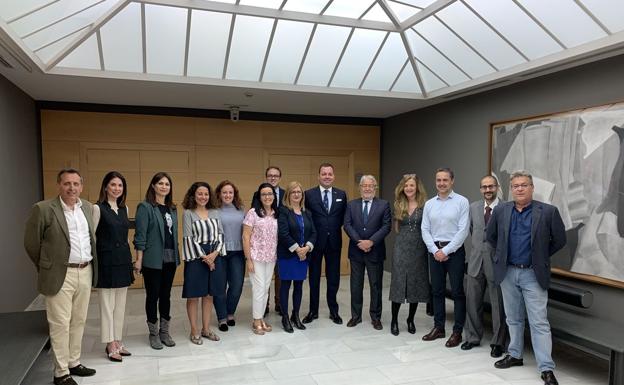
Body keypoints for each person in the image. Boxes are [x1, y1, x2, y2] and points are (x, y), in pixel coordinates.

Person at [487, 170, 566, 385]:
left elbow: (559, 240)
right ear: (511, 189)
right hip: (508, 272)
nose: (519, 189)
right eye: (515, 186)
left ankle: (546, 368)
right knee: (513, 318)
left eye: (524, 185)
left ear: (532, 188)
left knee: (539, 322)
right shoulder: (501, 210)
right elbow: (491, 236)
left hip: (533, 273)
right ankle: (515, 355)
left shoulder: (548, 211)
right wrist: (503, 255)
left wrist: (540, 255)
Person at [24, 168, 98, 385]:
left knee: (79, 321)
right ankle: (61, 373)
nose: (72, 188)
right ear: (59, 185)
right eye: (67, 183)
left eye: (76, 184)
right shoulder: (44, 209)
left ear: (81, 186)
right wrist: (46, 265)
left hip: (84, 270)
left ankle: (74, 362)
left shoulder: (87, 208)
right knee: (60, 324)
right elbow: (31, 243)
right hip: (60, 273)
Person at [421, 167, 469, 348]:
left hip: (454, 253)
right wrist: (434, 250)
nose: (441, 183)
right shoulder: (429, 204)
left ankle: (457, 332)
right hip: (434, 252)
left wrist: (445, 251)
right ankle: (439, 327)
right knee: (437, 291)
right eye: (438, 180)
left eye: (445, 180)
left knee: (457, 292)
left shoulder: (461, 202)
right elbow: (425, 229)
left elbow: (463, 231)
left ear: (452, 181)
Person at [461, 175, 508, 357]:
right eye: (484, 187)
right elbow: (473, 231)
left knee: (498, 305)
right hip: (475, 261)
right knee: (472, 301)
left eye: (491, 186)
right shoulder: (473, 207)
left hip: (496, 263)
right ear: (480, 189)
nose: (488, 190)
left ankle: (498, 342)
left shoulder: (505, 208)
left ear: (497, 188)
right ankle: (472, 337)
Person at [133, 172, 180, 350]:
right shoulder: (145, 207)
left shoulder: (172, 208)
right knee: (152, 297)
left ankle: (164, 332)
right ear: (153, 186)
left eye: (167, 184)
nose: (164, 187)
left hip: (170, 259)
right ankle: (153, 334)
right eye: (160, 183)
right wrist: (139, 260)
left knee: (166, 296)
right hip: (152, 260)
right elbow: (140, 236)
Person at [93, 171, 134, 362]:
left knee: (120, 305)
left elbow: (125, 236)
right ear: (105, 187)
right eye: (113, 185)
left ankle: (118, 339)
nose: (117, 188)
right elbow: (92, 238)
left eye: (120, 185)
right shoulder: (97, 208)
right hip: (106, 262)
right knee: (107, 306)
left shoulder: (124, 207)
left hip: (123, 260)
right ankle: (109, 343)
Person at [343, 175, 392, 330]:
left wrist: (371, 242)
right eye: (365, 185)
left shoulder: (384, 205)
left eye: (371, 185)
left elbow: (386, 226)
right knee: (355, 285)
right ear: (360, 187)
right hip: (356, 251)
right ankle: (355, 316)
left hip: (375, 251)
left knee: (375, 285)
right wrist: (359, 242)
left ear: (375, 188)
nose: (368, 188)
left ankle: (376, 317)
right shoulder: (351, 205)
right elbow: (347, 225)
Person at [303, 163, 347, 325]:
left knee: (333, 277)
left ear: (334, 176)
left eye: (330, 174)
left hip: (334, 242)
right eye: (324, 174)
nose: (327, 176)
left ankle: (333, 311)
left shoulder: (341, 194)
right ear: (318, 176)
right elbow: (306, 218)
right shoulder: (308, 194)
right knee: (314, 277)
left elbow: (343, 217)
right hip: (314, 243)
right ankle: (313, 311)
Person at [181, 182, 224, 344]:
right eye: (200, 194)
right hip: (196, 257)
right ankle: (194, 330)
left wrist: (214, 255)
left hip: (214, 254)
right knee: (193, 296)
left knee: (208, 295)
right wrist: (205, 258)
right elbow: (188, 238)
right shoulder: (188, 213)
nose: (203, 197)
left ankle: (206, 329)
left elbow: (220, 234)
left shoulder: (215, 212)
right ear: (193, 195)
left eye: (206, 194)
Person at [388, 174, 429, 336]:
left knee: (415, 283)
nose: (409, 188)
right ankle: (394, 320)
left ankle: (410, 320)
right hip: (401, 248)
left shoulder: (425, 205)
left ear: (417, 187)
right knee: (398, 283)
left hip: (419, 248)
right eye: (406, 186)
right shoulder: (398, 204)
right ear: (402, 188)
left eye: (411, 185)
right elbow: (396, 227)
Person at [277, 181, 317, 333]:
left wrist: (307, 247)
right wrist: (297, 249)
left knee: (299, 286)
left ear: (302, 195)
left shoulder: (307, 213)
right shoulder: (284, 211)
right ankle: (285, 317)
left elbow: (314, 233)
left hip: (303, 256)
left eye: (299, 192)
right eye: (293, 192)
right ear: (288, 194)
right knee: (286, 285)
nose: (296, 194)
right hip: (287, 255)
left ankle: (296, 315)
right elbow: (283, 233)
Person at [243, 182, 279, 335]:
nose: (267, 197)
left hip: (271, 258)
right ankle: (256, 320)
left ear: (274, 196)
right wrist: (248, 260)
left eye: (270, 194)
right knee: (258, 289)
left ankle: (261, 318)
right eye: (264, 194)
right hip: (256, 257)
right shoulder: (253, 213)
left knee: (265, 290)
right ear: (259, 196)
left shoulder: (276, 213)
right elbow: (245, 236)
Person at [212, 180, 246, 331]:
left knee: (237, 285)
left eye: (230, 192)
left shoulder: (241, 209)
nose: (227, 195)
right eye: (224, 192)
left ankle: (230, 312)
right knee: (219, 287)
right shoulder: (213, 210)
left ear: (234, 194)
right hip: (219, 253)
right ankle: (222, 318)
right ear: (219, 193)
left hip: (238, 253)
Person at [252, 166, 285, 317]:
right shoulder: (257, 194)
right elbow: (254, 219)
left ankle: (279, 303)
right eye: (270, 175)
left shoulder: (285, 194)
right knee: (263, 280)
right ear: (266, 177)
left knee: (279, 274)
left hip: (281, 241)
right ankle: (263, 307)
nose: (273, 178)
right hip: (262, 246)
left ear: (280, 177)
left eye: (276, 175)